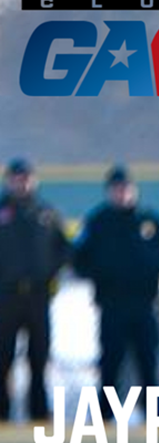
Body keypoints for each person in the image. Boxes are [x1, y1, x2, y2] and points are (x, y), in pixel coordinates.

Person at [73, 165, 159, 419]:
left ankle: (154, 418)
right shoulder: (98, 222)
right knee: (110, 364)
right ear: (109, 192)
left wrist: (156, 269)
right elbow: (78, 257)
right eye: (117, 189)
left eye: (126, 188)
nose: (122, 194)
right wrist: (101, 274)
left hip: (145, 304)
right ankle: (105, 418)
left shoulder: (149, 220)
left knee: (148, 363)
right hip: (112, 305)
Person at [0, 158, 69, 422]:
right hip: (5, 295)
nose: (22, 183)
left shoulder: (46, 214)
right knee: (2, 356)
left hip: (38, 296)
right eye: (17, 178)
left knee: (39, 357)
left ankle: (38, 413)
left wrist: (51, 275)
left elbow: (63, 250)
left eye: (26, 178)